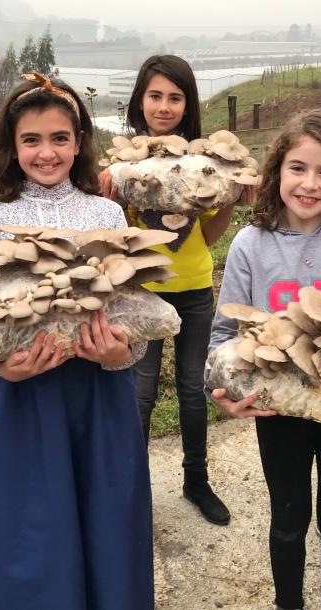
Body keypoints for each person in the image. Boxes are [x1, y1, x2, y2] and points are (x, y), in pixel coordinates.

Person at [0, 72, 153, 610]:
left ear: (79, 142)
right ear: (11, 145)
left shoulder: (107, 214)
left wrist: (123, 356)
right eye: (31, 140)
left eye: (60, 138)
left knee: (106, 512)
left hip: (96, 391)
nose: (47, 152)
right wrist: (2, 368)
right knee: (27, 520)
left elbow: (132, 312)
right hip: (22, 393)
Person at [208, 109, 321, 610]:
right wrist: (221, 395)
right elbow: (224, 334)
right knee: (287, 518)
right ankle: (288, 604)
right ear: (277, 172)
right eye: (298, 168)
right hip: (278, 410)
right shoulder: (251, 243)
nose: (310, 184)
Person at [99, 54, 234, 525]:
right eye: (155, 95)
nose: (164, 106)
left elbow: (210, 236)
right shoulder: (123, 164)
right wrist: (107, 197)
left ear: (187, 104)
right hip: (142, 292)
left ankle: (196, 480)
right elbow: (115, 233)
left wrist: (228, 200)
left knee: (193, 390)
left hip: (196, 286)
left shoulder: (203, 162)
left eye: (175, 97)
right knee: (141, 390)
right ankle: (132, 489)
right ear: (140, 101)